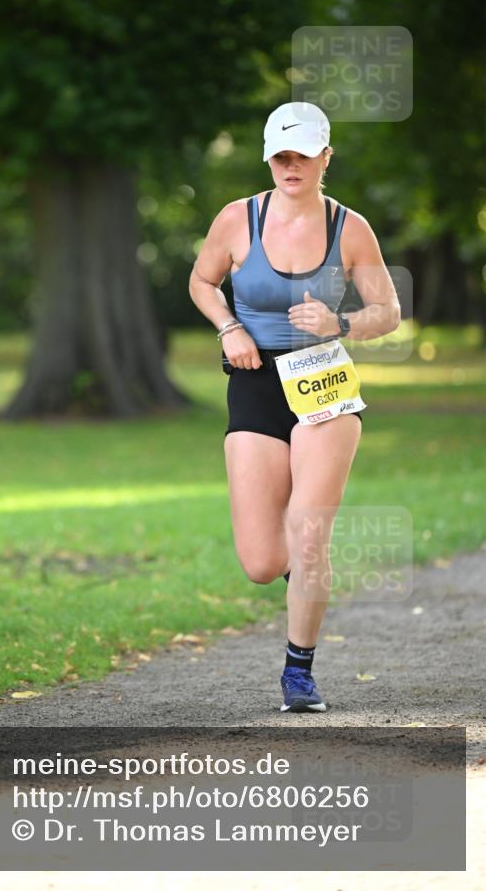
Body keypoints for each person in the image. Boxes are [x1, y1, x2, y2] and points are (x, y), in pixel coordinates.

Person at [189, 102, 400, 712]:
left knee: (309, 533)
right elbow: (202, 282)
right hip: (254, 382)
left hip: (324, 381)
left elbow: (388, 311)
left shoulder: (349, 228)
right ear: (268, 159)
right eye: (280, 156)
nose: (291, 166)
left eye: (303, 155)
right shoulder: (238, 219)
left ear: (325, 157)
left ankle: (298, 673)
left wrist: (341, 322)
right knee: (262, 561)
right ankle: (305, 581)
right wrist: (230, 327)